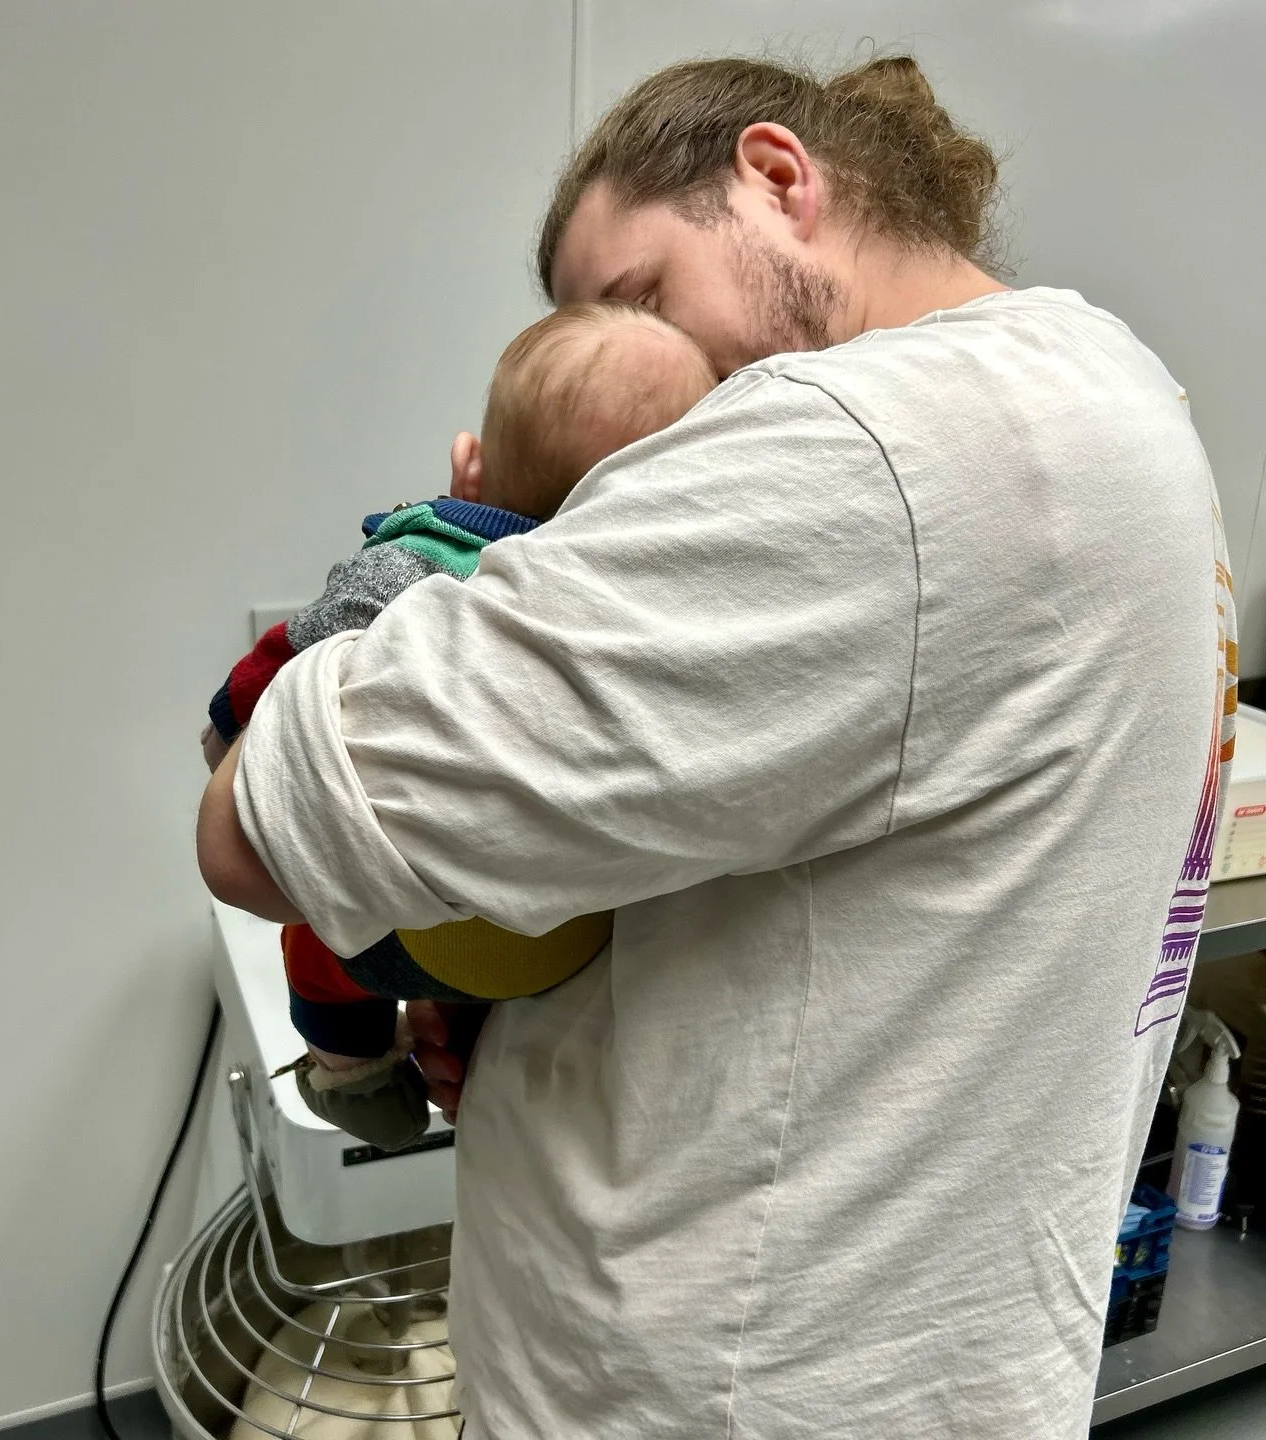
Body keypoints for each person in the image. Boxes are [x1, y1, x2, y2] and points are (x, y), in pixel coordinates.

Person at [197, 52, 1236, 1440]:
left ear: (775, 176)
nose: (641, 380)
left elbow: (259, 820)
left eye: (635, 298)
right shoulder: (1115, 398)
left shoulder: (867, 450)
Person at [202, 300, 715, 1151]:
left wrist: (227, 730)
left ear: (467, 470)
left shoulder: (413, 567)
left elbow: (271, 672)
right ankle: (467, 1040)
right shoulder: (658, 622)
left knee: (320, 938)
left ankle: (354, 1076)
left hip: (423, 941)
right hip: (559, 946)